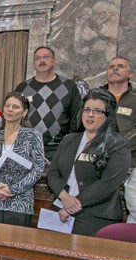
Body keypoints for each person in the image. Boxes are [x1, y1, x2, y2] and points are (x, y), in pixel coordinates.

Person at [47, 88, 131, 236]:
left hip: (94, 216)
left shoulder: (118, 144)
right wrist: (64, 197)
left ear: (107, 115)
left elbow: (107, 184)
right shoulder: (69, 139)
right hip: (59, 210)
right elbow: (53, 173)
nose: (90, 115)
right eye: (87, 109)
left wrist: (72, 206)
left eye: (97, 111)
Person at [0, 92, 45, 226]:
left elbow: (37, 170)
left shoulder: (33, 136)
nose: (10, 109)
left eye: (15, 107)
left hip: (19, 202)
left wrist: (12, 189)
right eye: (7, 106)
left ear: (24, 112)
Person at [15, 46, 81, 159]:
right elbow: (15, 117)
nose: (42, 61)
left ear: (54, 61)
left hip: (58, 149)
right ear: (33, 63)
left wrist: (71, 146)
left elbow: (76, 118)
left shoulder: (69, 86)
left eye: (46, 57)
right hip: (28, 148)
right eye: (37, 58)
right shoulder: (23, 87)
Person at [100, 56, 136, 166]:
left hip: (130, 158)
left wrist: (118, 146)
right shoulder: (94, 97)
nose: (115, 69)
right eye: (111, 67)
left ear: (130, 74)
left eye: (120, 66)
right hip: (97, 156)